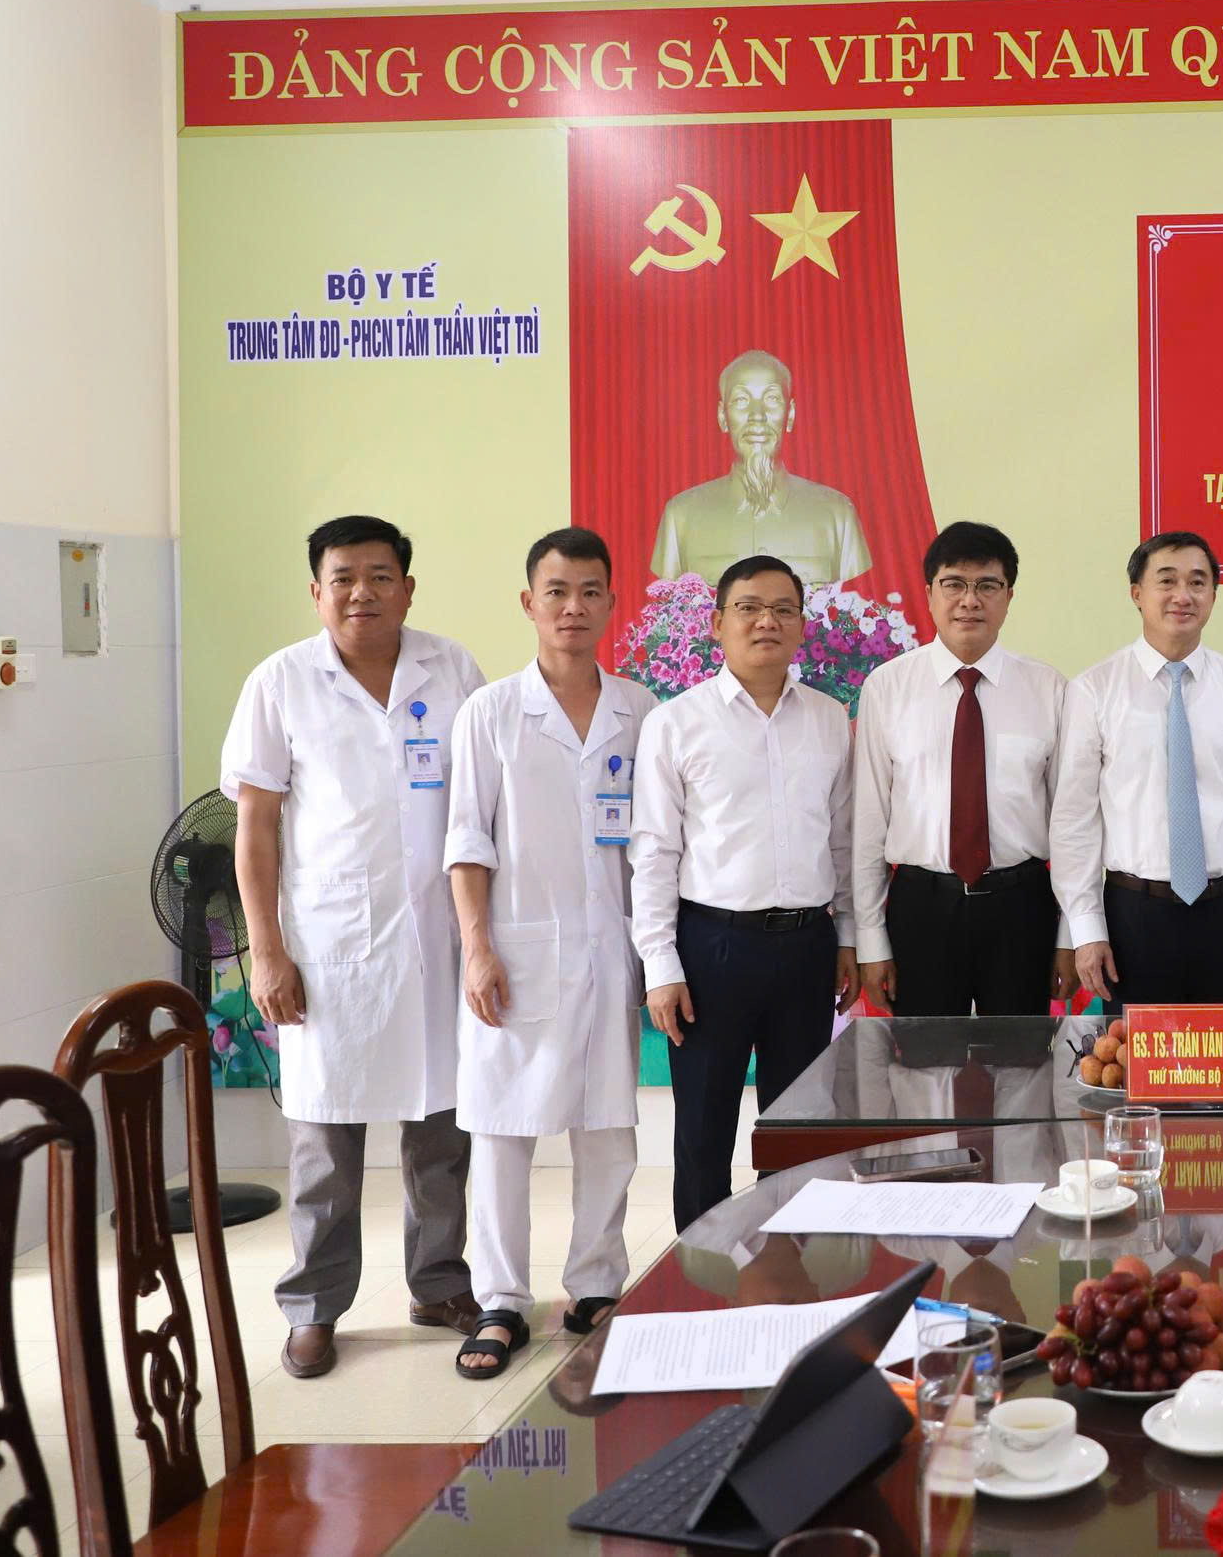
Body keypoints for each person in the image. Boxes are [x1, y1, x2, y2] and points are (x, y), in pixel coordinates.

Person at [222, 515, 486, 1380]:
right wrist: (266, 950)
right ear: (317, 591)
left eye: (380, 575)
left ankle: (439, 1284)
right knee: (325, 1146)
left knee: (441, 1132)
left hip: (438, 939)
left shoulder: (453, 669)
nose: (362, 592)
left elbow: (483, 806)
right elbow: (255, 829)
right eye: (343, 577)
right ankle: (314, 1307)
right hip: (329, 944)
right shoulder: (281, 682)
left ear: (408, 588)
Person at [442, 528, 654, 1379]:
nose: (573, 607)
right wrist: (476, 947)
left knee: (608, 1128)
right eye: (556, 591)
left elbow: (656, 846)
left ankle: (596, 1286)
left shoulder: (640, 710)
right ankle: (500, 1299)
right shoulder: (490, 712)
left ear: (611, 603)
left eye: (590, 591)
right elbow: (466, 841)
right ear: (529, 602)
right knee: (502, 1130)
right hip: (517, 950)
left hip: (611, 949)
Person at [631, 555, 857, 1229]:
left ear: (802, 625)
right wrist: (660, 964)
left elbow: (843, 840)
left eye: (784, 609)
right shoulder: (676, 722)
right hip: (712, 948)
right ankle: (702, 1269)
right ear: (717, 623)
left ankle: (790, 1262)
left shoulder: (829, 719)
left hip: (807, 946)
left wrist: (847, 938)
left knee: (796, 1130)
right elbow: (654, 852)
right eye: (749, 608)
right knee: (704, 1132)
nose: (767, 621)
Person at [1051, 531, 1223, 1005]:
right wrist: (1087, 929)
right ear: (1137, 593)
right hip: (1133, 916)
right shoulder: (1094, 690)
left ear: (1213, 596)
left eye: (1197, 582)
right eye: (1167, 581)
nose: (1183, 595)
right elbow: (1074, 820)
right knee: (1137, 1053)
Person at [852, 521, 1071, 1019]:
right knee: (925, 1060)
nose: (970, 601)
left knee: (1020, 1059)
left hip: (1021, 906)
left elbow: (1070, 823)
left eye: (987, 585)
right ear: (929, 593)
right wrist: (871, 938)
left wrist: (1070, 934)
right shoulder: (887, 688)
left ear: (1009, 597)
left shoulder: (1049, 689)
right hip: (921, 906)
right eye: (954, 584)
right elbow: (869, 821)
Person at [648, 349, 872, 589]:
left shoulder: (837, 515)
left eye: (772, 399)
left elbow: (855, 602)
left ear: (790, 415)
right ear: (722, 416)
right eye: (741, 400)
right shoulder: (681, 517)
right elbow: (667, 606)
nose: (757, 416)